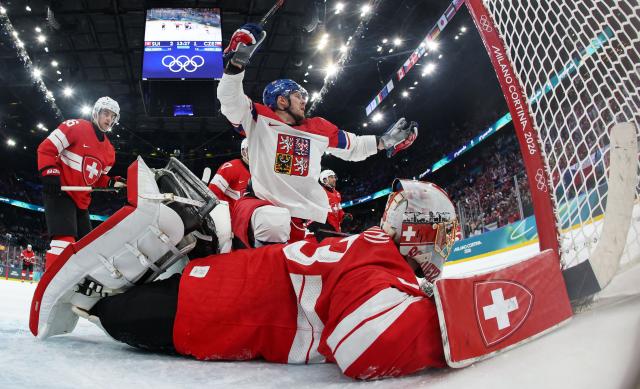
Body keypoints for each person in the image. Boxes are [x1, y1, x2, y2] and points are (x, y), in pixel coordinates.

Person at [57, 179, 457, 380]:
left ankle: (198, 236)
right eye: (444, 235)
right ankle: (103, 303)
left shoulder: (365, 246)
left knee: (122, 309)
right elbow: (363, 346)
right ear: (419, 232)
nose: (445, 245)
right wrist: (452, 322)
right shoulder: (381, 268)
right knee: (114, 315)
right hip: (209, 317)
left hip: (213, 278)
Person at [217, 23, 418, 241]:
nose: (304, 100)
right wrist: (238, 63)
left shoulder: (318, 127)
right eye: (297, 96)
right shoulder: (257, 117)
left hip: (303, 218)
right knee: (273, 222)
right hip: (260, 208)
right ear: (281, 100)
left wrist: (387, 140)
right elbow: (229, 101)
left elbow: (355, 147)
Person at [37, 96, 125, 270]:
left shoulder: (110, 152)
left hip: (81, 201)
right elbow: (46, 148)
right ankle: (49, 288)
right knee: (64, 241)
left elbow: (96, 179)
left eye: (112, 116)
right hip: (60, 192)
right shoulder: (75, 127)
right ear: (96, 113)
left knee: (88, 249)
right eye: (105, 113)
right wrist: (50, 172)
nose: (108, 119)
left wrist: (113, 184)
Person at [207, 138, 251, 209]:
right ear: (243, 152)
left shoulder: (260, 171)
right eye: (250, 150)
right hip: (229, 217)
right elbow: (212, 193)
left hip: (247, 216)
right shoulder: (230, 167)